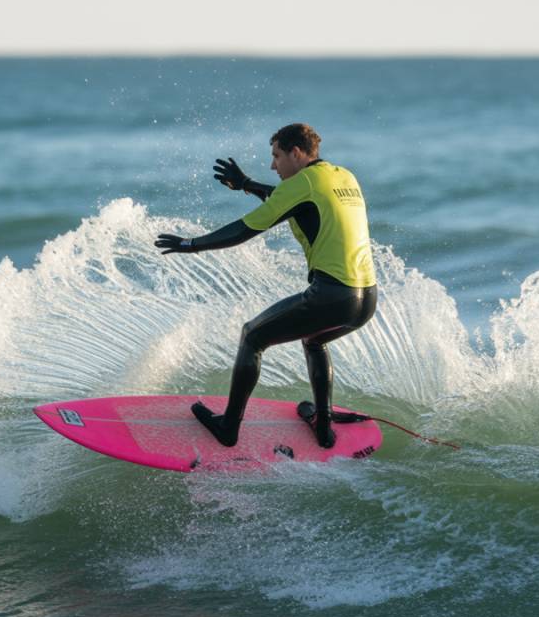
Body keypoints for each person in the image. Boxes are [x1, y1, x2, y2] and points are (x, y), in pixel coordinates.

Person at [155, 123, 377, 449]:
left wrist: (191, 244)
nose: (273, 166)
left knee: (252, 336)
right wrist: (246, 184)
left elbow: (245, 229)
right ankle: (323, 425)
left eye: (276, 156)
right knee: (314, 341)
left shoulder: (303, 184)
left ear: (296, 153)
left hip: (332, 296)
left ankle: (228, 427)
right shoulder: (342, 176)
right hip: (365, 300)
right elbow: (295, 202)